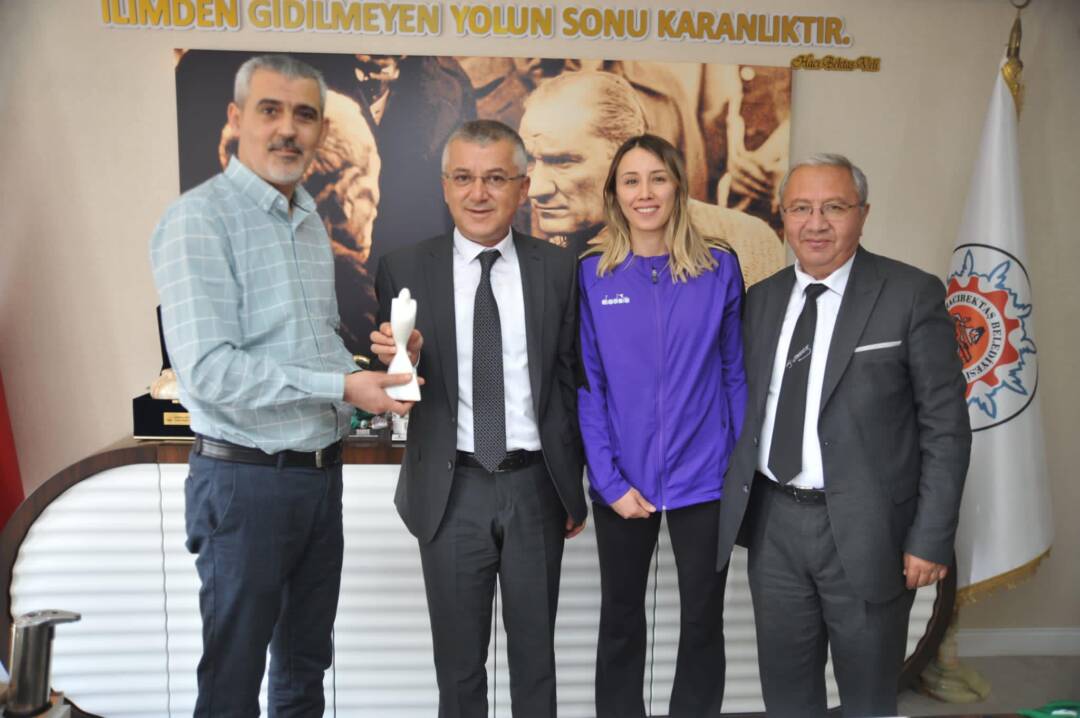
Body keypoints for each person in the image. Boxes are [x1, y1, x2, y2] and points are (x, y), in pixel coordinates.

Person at [150, 54, 417, 717]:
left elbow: (310, 347)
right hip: (244, 484)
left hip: (318, 480)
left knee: (304, 673)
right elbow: (209, 371)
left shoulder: (306, 224)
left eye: (305, 114)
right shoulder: (198, 220)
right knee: (233, 682)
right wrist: (345, 385)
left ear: (321, 129)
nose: (289, 129)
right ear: (236, 118)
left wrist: (380, 363)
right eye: (270, 110)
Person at [716, 153, 971, 717]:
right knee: (786, 694)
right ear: (783, 216)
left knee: (868, 697)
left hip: (869, 529)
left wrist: (931, 537)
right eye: (801, 209)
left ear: (863, 214)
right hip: (774, 525)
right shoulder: (761, 300)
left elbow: (946, 428)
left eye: (834, 207)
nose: (816, 223)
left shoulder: (910, 294)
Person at [372, 119, 587, 718]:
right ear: (445, 186)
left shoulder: (558, 269)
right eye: (463, 178)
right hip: (450, 490)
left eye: (495, 178)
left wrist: (571, 483)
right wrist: (406, 363)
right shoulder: (403, 267)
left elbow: (571, 381)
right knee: (459, 667)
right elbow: (396, 381)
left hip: (534, 487)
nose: (479, 193)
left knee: (535, 662)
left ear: (522, 187)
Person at [576, 134, 746, 717]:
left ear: (678, 186)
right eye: (631, 180)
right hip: (624, 481)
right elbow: (588, 386)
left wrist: (734, 467)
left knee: (702, 619)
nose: (644, 193)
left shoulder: (720, 267)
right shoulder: (591, 274)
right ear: (615, 194)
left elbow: (734, 374)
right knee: (621, 618)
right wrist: (609, 481)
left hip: (706, 480)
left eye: (657, 178)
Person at [517, 71, 782, 286]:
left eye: (562, 161)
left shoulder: (743, 244)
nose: (535, 189)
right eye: (529, 161)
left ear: (626, 160)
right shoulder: (533, 258)